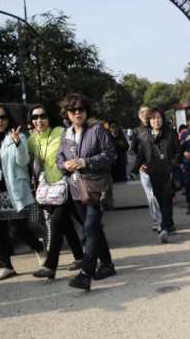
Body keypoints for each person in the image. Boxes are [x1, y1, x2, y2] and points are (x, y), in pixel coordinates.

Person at [0, 105, 45, 281]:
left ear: (8, 119)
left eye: (2, 117)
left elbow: (23, 160)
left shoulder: (18, 136)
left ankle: (40, 250)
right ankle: (5, 266)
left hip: (14, 191)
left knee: (20, 229)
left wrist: (18, 143)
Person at [56, 93, 116, 291]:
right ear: (67, 114)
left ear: (86, 111)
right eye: (73, 110)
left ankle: (86, 273)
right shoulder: (66, 134)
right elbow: (59, 159)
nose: (77, 113)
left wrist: (85, 162)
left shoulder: (97, 130)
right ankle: (107, 265)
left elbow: (110, 154)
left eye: (81, 109)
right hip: (75, 189)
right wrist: (65, 164)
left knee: (90, 228)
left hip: (97, 187)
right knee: (94, 229)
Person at [27, 104, 85, 279]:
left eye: (42, 116)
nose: (39, 120)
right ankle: (81, 257)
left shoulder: (61, 132)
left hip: (67, 183)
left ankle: (50, 265)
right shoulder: (32, 140)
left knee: (57, 223)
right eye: (35, 117)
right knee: (66, 224)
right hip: (50, 189)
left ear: (49, 117)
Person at [133, 107, 180, 243]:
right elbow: (140, 153)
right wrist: (136, 168)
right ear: (149, 121)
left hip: (167, 172)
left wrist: (173, 164)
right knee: (159, 199)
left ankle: (164, 228)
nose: (156, 121)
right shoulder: (144, 135)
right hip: (152, 172)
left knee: (166, 199)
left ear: (163, 119)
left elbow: (178, 151)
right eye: (153, 118)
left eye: (159, 118)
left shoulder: (170, 133)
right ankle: (168, 224)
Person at [131, 105, 162, 230]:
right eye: (142, 112)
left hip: (160, 167)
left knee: (160, 195)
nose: (145, 114)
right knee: (151, 195)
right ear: (139, 115)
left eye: (147, 112)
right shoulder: (137, 131)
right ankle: (157, 221)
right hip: (145, 169)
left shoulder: (156, 128)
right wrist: (140, 165)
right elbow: (132, 151)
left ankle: (165, 220)